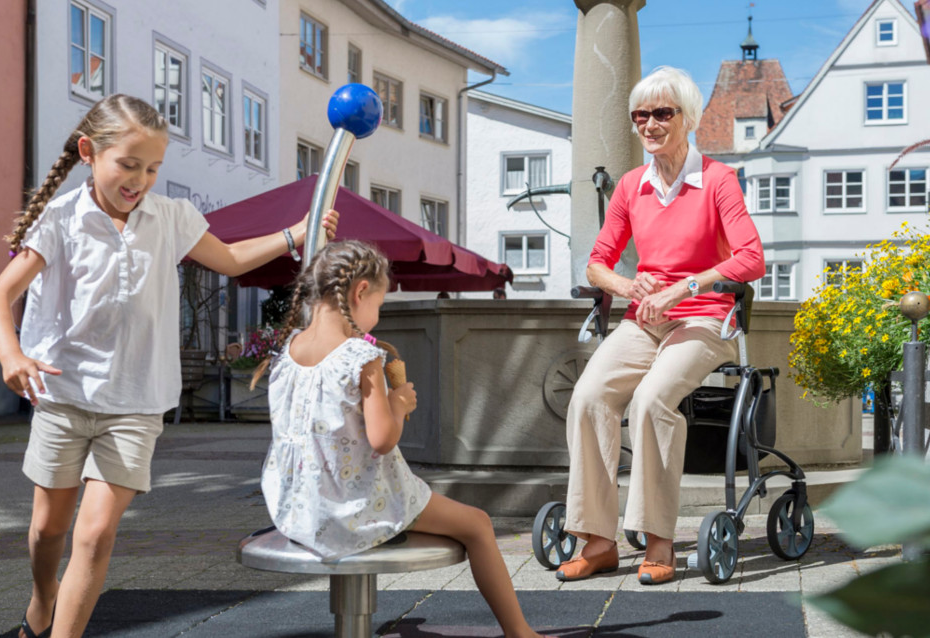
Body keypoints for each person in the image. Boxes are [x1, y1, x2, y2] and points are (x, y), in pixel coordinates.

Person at [0, 94, 339, 638]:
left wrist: (297, 232)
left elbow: (232, 258)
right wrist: (11, 355)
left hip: (135, 403)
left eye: (152, 168)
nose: (140, 179)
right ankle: (41, 597)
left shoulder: (170, 217)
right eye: (128, 164)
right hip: (62, 395)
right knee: (46, 532)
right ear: (88, 152)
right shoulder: (61, 218)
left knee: (95, 534)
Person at [255, 240, 551, 638]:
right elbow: (382, 440)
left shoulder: (286, 352)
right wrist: (398, 404)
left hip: (298, 508)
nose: (376, 316)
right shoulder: (362, 356)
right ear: (359, 292)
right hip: (354, 508)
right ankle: (520, 633)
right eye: (378, 304)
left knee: (437, 519)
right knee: (478, 525)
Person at [557, 67, 765, 584]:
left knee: (652, 401)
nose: (650, 124)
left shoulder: (717, 180)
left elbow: (751, 259)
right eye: (640, 115)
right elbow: (598, 263)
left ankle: (659, 541)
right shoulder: (632, 186)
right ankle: (598, 539)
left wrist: (685, 287)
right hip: (645, 319)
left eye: (663, 113)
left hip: (704, 319)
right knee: (589, 397)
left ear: (688, 118)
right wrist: (630, 288)